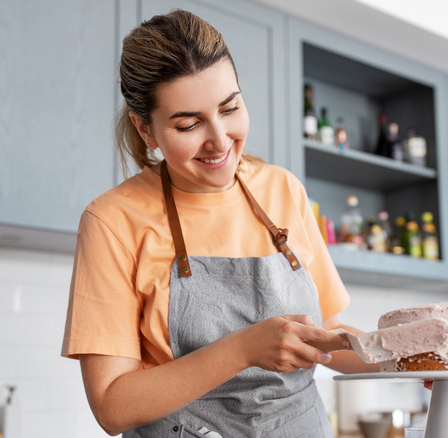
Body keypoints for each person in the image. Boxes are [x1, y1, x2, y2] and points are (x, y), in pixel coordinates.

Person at [61, 9, 377, 437]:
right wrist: (243, 349)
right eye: (189, 124)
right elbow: (112, 405)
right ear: (145, 129)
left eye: (230, 108)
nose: (220, 140)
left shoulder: (282, 189)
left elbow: (327, 335)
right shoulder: (113, 221)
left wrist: (423, 359)